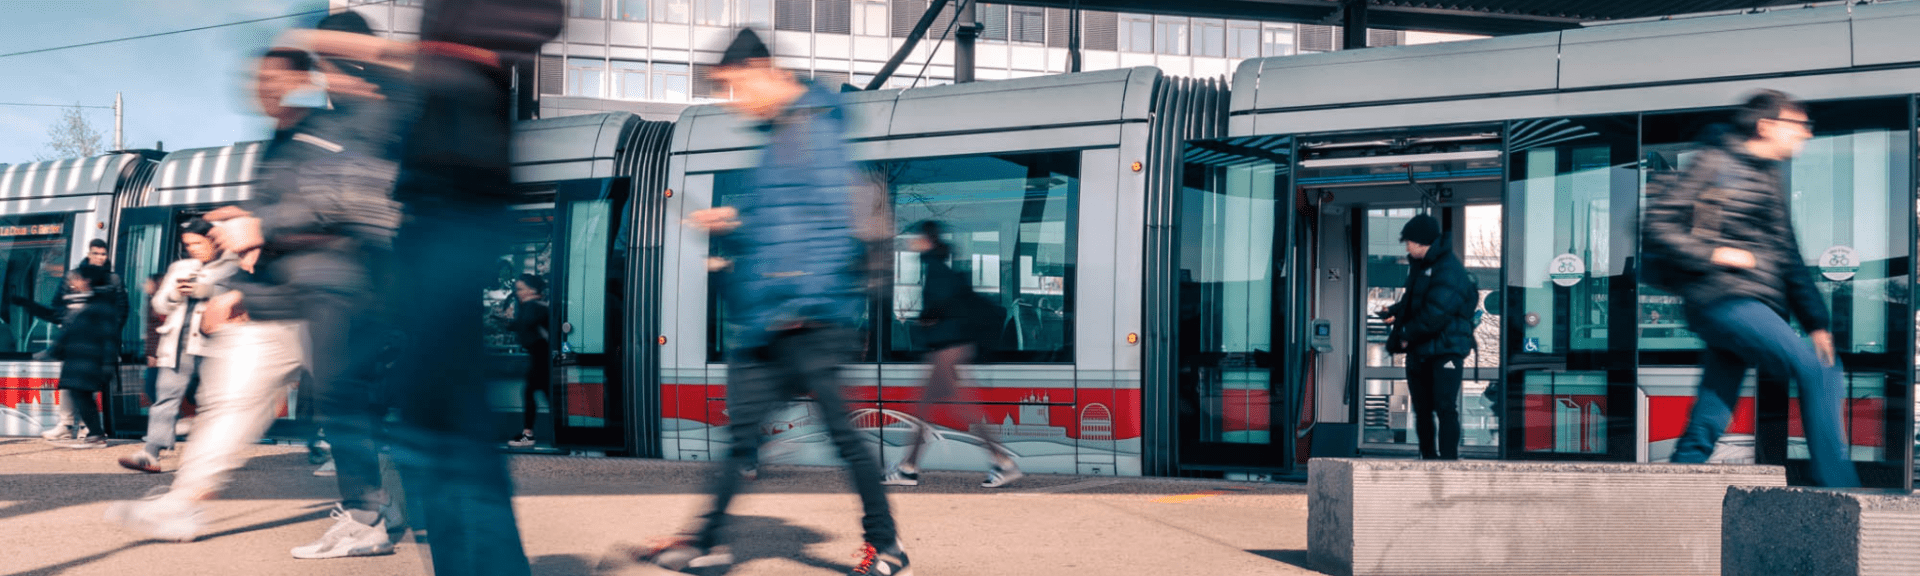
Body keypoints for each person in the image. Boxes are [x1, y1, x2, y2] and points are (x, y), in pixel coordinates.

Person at [600, 28, 909, 576]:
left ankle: (885, 546)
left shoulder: (813, 127)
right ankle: (703, 541)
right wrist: (736, 225)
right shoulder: (781, 136)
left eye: (734, 86)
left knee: (843, 439)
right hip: (771, 322)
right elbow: (784, 221)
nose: (733, 101)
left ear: (763, 69)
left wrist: (795, 287)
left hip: (810, 319)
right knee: (741, 438)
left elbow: (837, 218)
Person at [106, 13, 413, 554]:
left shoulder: (371, 116)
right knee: (234, 399)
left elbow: (353, 202)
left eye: (277, 77)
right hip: (286, 296)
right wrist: (242, 275)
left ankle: (371, 516)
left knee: (345, 403)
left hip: (339, 292)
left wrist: (261, 225)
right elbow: (287, 214)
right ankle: (182, 507)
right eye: (257, 82)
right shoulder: (291, 139)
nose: (263, 90)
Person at [1641, 90, 1860, 488]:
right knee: (1819, 370)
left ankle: (1672, 487)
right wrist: (1716, 253)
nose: (1806, 135)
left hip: (1746, 303)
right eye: (1799, 126)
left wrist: (1816, 322)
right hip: (1724, 300)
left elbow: (1787, 254)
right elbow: (1657, 225)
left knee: (1711, 412)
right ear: (1767, 126)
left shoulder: (1766, 176)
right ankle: (1842, 491)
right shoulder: (1714, 162)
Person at [882, 220, 1022, 489]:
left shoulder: (933, 267)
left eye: (915, 237)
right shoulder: (934, 263)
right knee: (925, 408)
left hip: (948, 348)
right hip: (949, 347)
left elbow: (940, 300)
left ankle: (1003, 462)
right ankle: (908, 468)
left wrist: (923, 318)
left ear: (927, 240)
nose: (910, 241)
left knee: (964, 408)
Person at [119, 220, 236, 473]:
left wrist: (203, 289)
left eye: (197, 243)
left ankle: (215, 456)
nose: (192, 248)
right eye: (188, 244)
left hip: (217, 347)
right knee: (166, 398)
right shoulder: (180, 267)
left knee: (215, 402)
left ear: (213, 240)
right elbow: (159, 304)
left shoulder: (233, 264)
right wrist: (175, 294)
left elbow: (240, 297)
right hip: (178, 344)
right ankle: (151, 453)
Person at [1379, 213, 1476, 461]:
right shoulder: (1424, 267)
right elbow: (1417, 302)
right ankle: (1429, 458)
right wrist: (1394, 312)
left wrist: (1404, 334)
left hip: (1445, 349)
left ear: (1423, 242)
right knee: (1422, 409)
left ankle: (1447, 460)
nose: (1407, 246)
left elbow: (1436, 313)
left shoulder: (1448, 270)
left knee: (1444, 406)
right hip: (1422, 350)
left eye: (1409, 241)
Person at [42, 265, 121, 449]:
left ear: (86, 281)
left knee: (82, 395)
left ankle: (96, 435)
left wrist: (108, 363)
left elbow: (110, 337)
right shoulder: (95, 302)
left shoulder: (100, 305)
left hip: (88, 359)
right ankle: (95, 434)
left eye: (76, 278)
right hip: (81, 359)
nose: (72, 282)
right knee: (81, 395)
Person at [503, 273, 551, 448]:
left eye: (520, 289)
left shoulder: (533, 307)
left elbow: (524, 325)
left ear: (532, 290)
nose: (518, 293)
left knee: (532, 392)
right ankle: (529, 432)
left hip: (540, 358)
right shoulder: (537, 306)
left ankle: (528, 434)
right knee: (539, 393)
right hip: (541, 358)